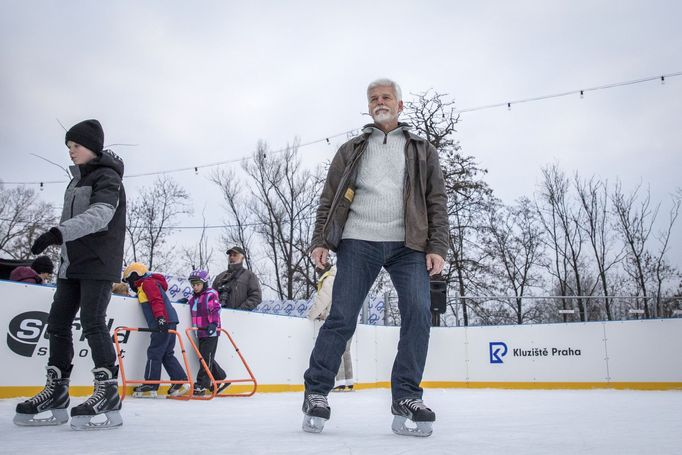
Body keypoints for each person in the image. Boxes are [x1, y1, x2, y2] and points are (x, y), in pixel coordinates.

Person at [301, 79, 449, 437]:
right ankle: (317, 392)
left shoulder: (421, 150)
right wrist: (321, 239)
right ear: (368, 106)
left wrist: (437, 246)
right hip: (358, 240)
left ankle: (407, 396)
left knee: (417, 314)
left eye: (386, 97)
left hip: (408, 245)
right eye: (373, 99)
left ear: (400, 105)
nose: (379, 102)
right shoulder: (352, 149)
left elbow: (436, 201)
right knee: (341, 318)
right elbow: (329, 199)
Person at [14, 119, 126, 430]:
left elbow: (102, 216)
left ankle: (107, 393)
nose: (71, 152)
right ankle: (57, 391)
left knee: (92, 321)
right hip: (71, 264)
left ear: (91, 146)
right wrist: (61, 249)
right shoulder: (76, 181)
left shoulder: (108, 177)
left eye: (75, 146)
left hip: (98, 262)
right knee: (57, 324)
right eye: (68, 147)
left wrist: (56, 234)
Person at [122, 263, 189, 398]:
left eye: (129, 281)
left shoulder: (147, 284)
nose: (130, 285)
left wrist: (160, 318)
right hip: (170, 320)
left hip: (162, 322)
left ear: (135, 276)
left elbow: (156, 301)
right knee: (166, 354)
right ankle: (180, 381)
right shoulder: (148, 284)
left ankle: (151, 384)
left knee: (155, 352)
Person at [306, 265, 354, 391]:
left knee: (336, 349)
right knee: (346, 351)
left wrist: (311, 315)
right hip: (351, 318)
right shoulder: (345, 277)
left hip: (338, 318)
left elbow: (323, 299)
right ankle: (349, 381)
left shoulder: (330, 279)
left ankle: (340, 383)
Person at [187, 269, 229, 395]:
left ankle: (202, 384)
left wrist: (214, 324)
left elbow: (216, 309)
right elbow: (192, 306)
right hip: (200, 332)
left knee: (206, 358)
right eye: (193, 285)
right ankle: (220, 376)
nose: (195, 287)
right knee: (204, 357)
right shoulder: (194, 298)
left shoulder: (210, 294)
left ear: (204, 283)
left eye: (198, 284)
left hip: (211, 332)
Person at [212, 246, 262, 311]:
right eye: (230, 255)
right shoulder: (220, 277)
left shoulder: (250, 276)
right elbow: (211, 297)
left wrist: (240, 311)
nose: (232, 257)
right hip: (219, 316)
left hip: (241, 318)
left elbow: (256, 297)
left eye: (235, 255)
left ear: (242, 258)